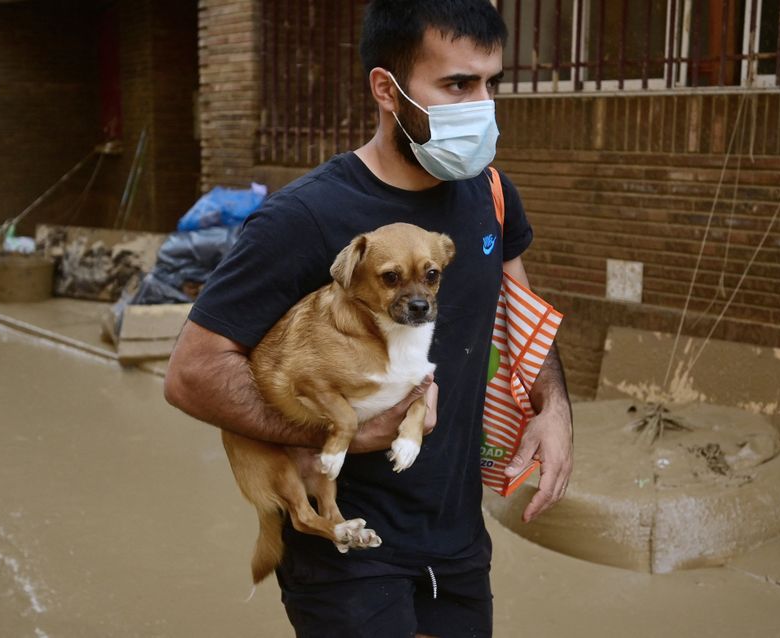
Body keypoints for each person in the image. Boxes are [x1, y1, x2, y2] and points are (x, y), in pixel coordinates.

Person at [165, 1, 573, 635]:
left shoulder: (491, 194)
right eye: (458, 84)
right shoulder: (302, 217)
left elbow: (520, 308)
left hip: (458, 538)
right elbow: (192, 373)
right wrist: (340, 433)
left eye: (492, 83)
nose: (482, 105)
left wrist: (554, 412)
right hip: (346, 553)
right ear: (387, 89)